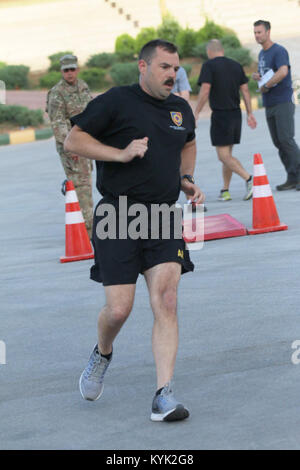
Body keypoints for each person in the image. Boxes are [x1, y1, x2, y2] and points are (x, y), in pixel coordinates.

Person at [64, 39, 205, 422]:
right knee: (119, 308)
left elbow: (188, 143)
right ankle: (103, 352)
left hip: (162, 216)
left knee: (167, 301)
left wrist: (185, 178)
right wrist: (120, 153)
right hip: (118, 215)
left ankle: (164, 396)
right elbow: (73, 139)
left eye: (175, 68)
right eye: (164, 67)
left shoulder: (179, 109)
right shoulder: (115, 102)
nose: (171, 75)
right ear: (142, 67)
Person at [194, 39, 257, 201]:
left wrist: (196, 112)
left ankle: (249, 179)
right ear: (222, 50)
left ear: (209, 52)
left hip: (221, 115)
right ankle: (225, 190)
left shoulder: (209, 65)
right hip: (236, 114)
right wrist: (250, 113)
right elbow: (245, 91)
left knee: (223, 156)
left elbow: (205, 90)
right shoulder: (236, 65)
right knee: (227, 155)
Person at [46, 54, 94, 237]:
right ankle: (88, 233)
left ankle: (85, 228)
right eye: (66, 70)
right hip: (71, 146)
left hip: (86, 143)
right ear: (61, 72)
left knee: (86, 184)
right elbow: (58, 122)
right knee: (81, 186)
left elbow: (91, 112)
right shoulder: (57, 93)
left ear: (77, 69)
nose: (70, 73)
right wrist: (71, 146)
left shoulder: (83, 86)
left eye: (72, 69)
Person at [253, 20, 300, 191]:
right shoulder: (261, 54)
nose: (257, 35)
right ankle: (292, 177)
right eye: (255, 33)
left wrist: (266, 85)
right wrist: (258, 77)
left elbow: (283, 72)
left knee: (286, 139)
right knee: (279, 142)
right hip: (269, 103)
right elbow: (267, 73)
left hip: (282, 101)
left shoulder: (278, 51)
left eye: (259, 32)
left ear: (268, 32)